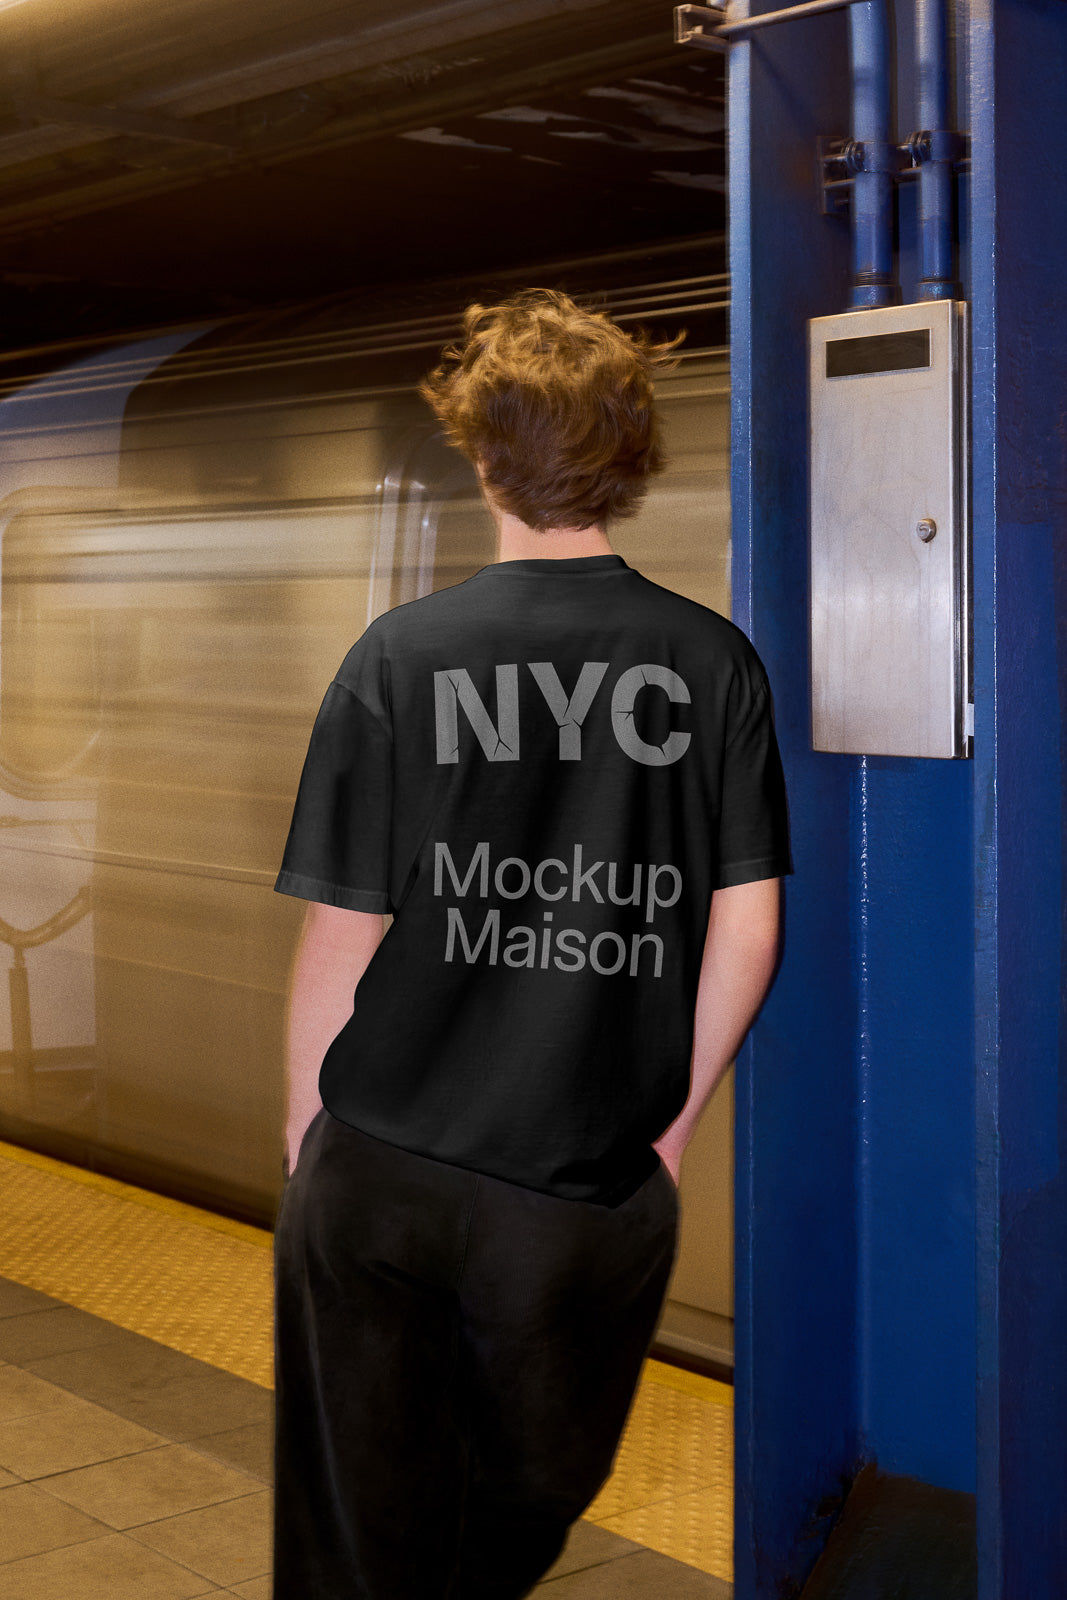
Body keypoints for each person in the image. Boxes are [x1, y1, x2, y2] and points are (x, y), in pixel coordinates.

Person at [271, 288, 790, 1599]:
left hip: (380, 1164)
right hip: (579, 1187)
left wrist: (307, 1147)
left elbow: (347, 925)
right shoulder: (710, 663)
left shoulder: (396, 657)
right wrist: (666, 1127)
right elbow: (748, 921)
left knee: (356, 1535)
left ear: (480, 453)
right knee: (524, 1501)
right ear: (628, 460)